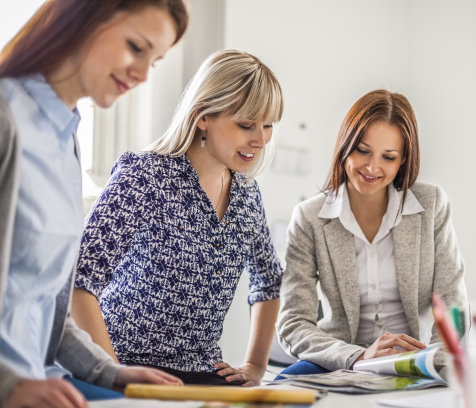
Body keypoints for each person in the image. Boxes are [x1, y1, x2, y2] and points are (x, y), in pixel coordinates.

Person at [0, 0, 189, 406]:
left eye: (153, 62)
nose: (141, 75)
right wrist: (8, 384)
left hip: (41, 382)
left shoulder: (66, 139)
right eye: (136, 47)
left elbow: (46, 303)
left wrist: (110, 371)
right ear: (83, 19)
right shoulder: (6, 117)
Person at [71, 49, 284, 387]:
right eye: (246, 125)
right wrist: (112, 375)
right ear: (203, 116)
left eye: (268, 125)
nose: (259, 139)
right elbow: (79, 279)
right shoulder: (144, 175)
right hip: (123, 365)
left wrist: (255, 366)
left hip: (201, 373)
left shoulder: (247, 195)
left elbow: (268, 282)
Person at [276, 89, 469, 377]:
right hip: (342, 358)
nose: (372, 167)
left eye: (388, 157)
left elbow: (453, 308)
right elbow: (293, 323)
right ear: (345, 145)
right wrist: (358, 356)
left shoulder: (431, 205)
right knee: (284, 384)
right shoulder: (309, 218)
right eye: (362, 150)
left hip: (416, 360)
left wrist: (436, 361)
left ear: (403, 160)